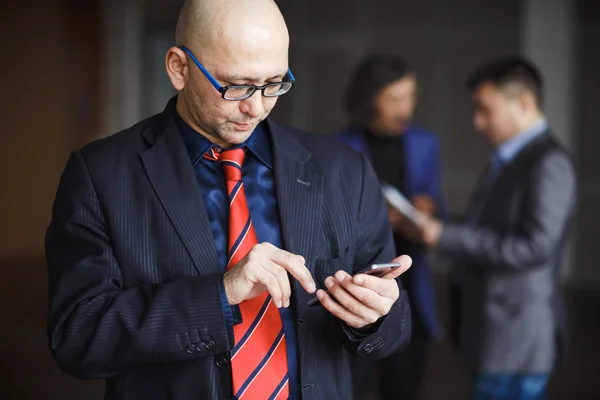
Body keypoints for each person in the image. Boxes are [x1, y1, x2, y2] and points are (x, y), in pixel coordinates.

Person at [44, 0, 413, 399]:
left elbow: (396, 331)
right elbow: (77, 337)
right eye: (236, 86)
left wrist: (373, 317)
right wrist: (221, 293)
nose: (256, 107)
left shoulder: (344, 170)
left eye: (274, 83)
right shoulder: (101, 174)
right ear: (178, 68)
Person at [418, 56, 577, 400]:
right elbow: (491, 227)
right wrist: (441, 222)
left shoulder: (549, 162)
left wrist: (445, 235)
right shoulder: (512, 157)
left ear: (524, 103)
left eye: (485, 110)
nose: (478, 122)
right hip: (494, 334)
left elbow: (535, 246)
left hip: (515, 341)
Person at [336, 54, 444, 400]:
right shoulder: (337, 147)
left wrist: (428, 209)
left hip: (411, 284)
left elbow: (436, 204)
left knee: (405, 387)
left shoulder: (426, 143)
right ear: (370, 99)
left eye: (411, 97)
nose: (406, 109)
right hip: (358, 286)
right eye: (396, 99)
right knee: (351, 386)